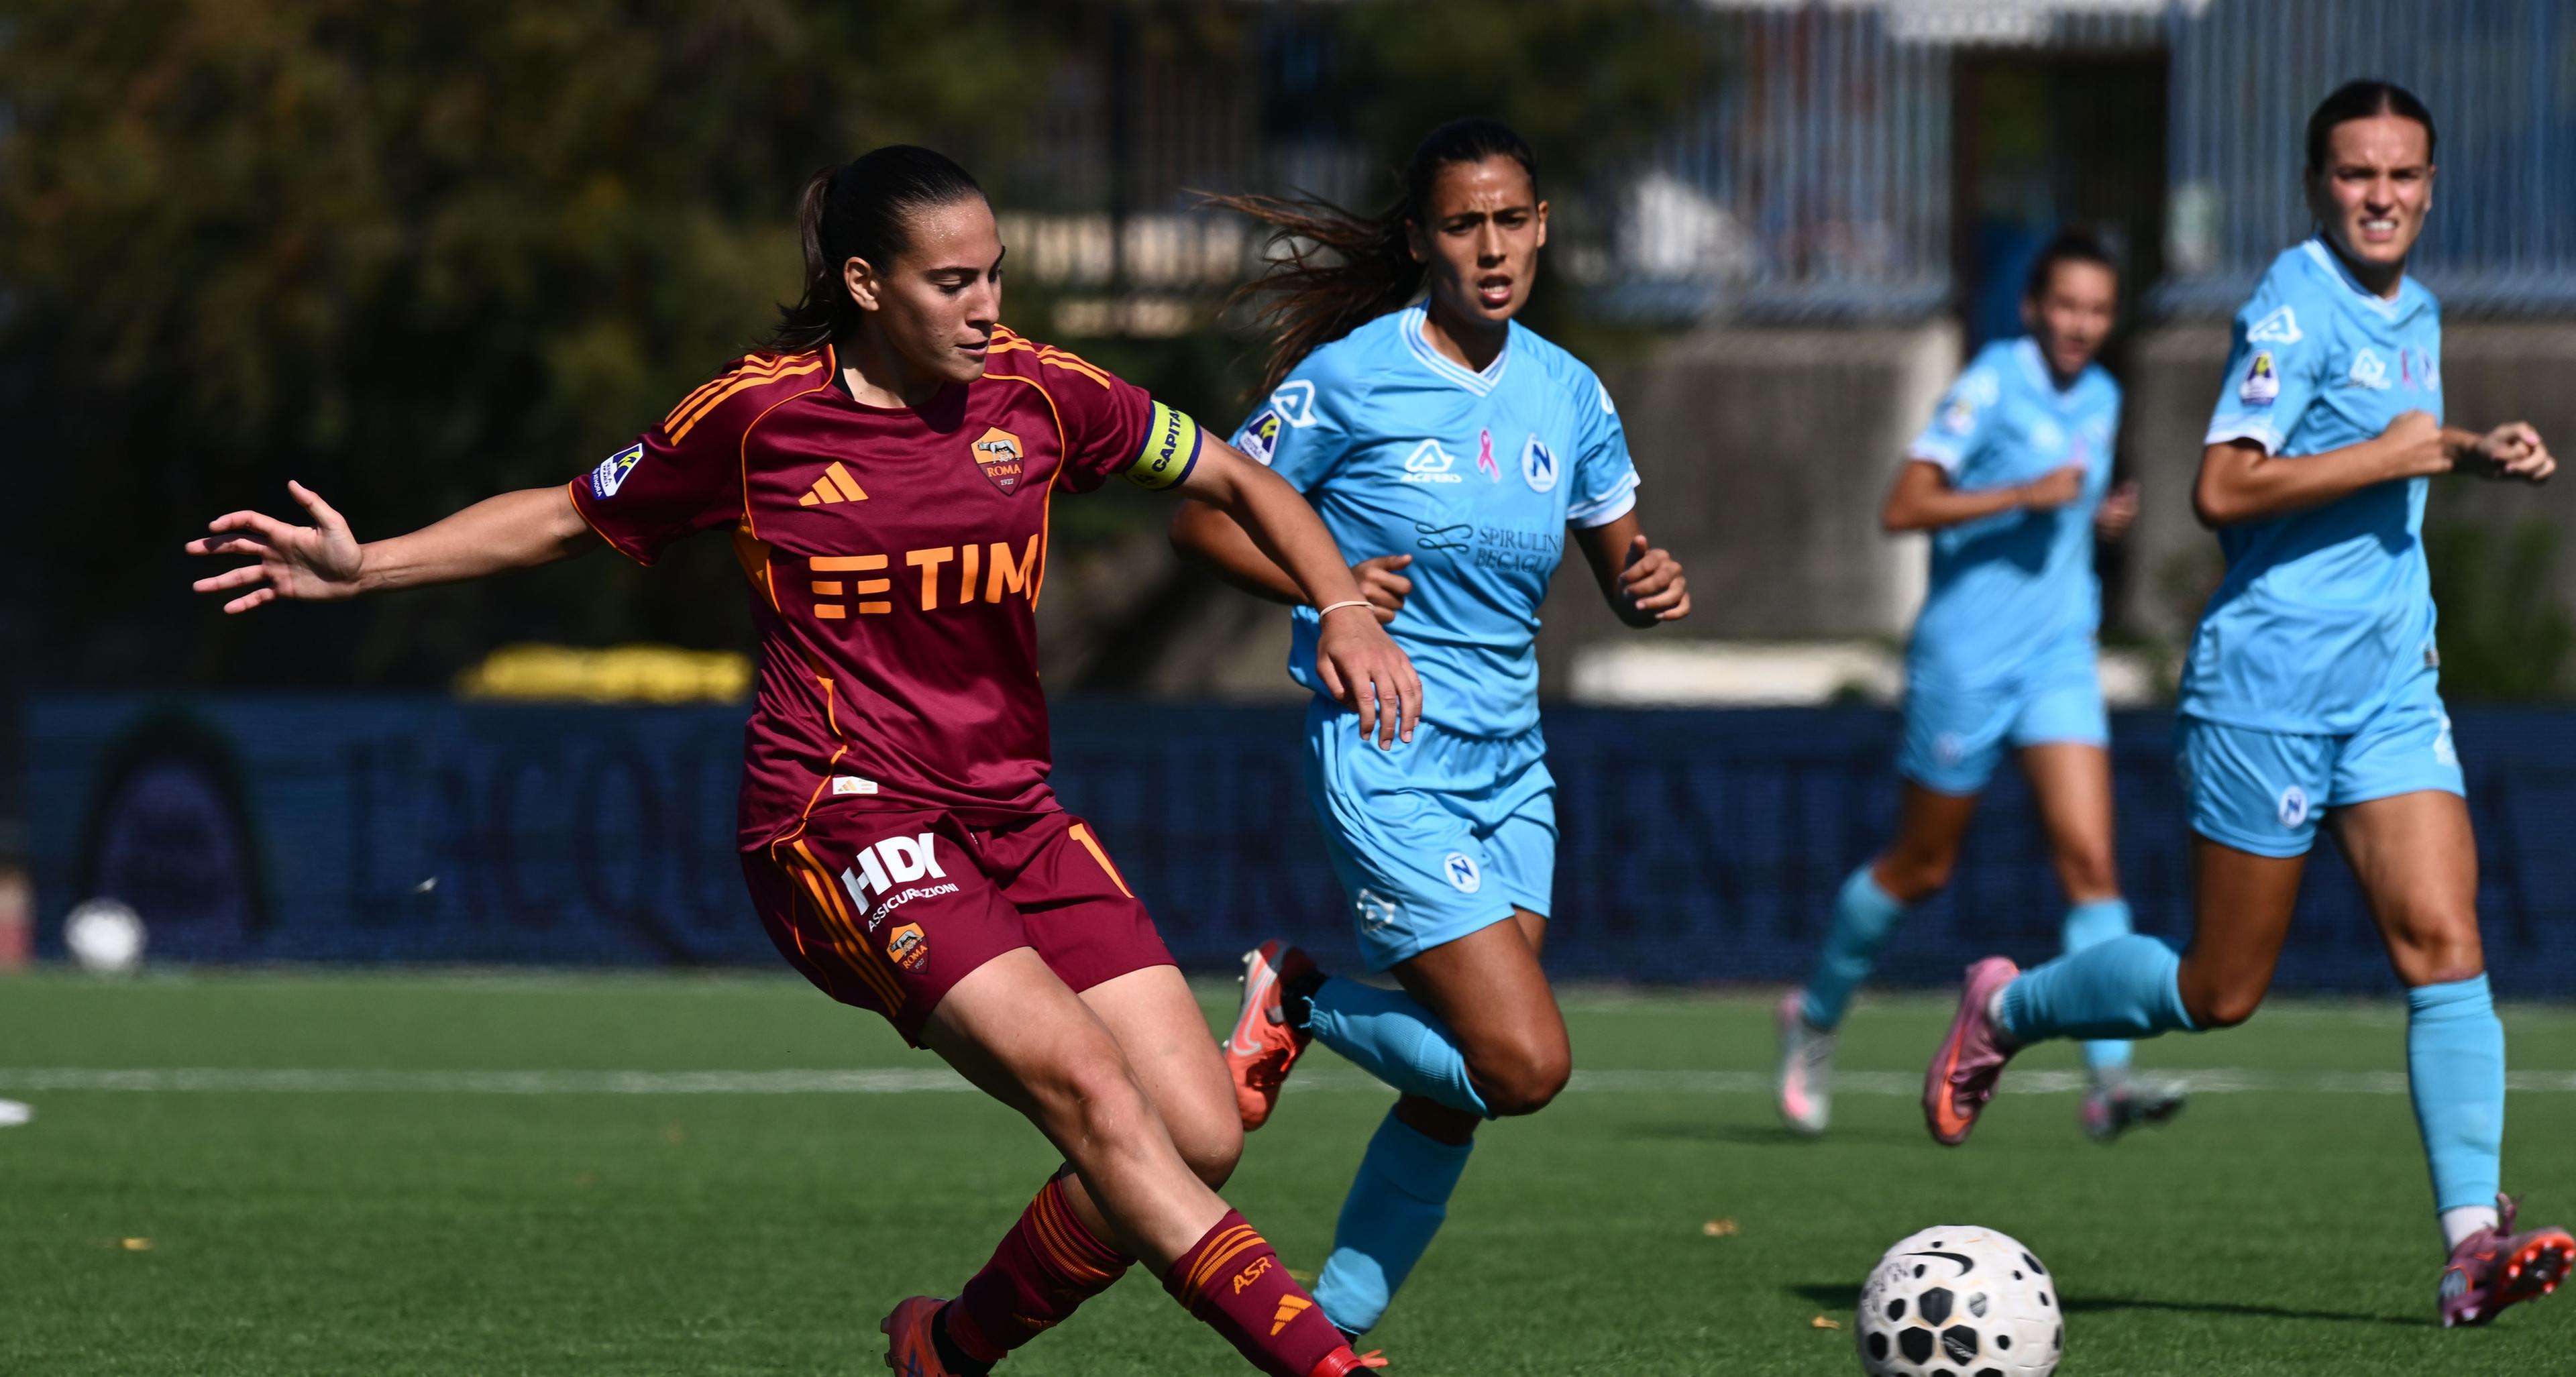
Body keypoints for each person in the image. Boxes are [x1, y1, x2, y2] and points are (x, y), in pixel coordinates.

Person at [184, 145, 1415, 1377]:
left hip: (1015, 810)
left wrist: (1341, 607)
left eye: (995, 275)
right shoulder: (758, 417)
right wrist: (367, 565)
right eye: (953, 283)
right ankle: (1326, 1364)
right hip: (839, 817)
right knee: (1098, 1097)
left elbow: (1240, 478)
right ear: (868, 285)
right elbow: (568, 514)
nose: (988, 307)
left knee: (1196, 1133)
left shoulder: (1047, 395)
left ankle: (945, 1348)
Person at [1919, 81, 2572, 1326]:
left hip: (2388, 690)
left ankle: (2470, 1243)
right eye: (2355, 175)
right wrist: (2407, 452)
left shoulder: (2417, 309)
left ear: (2431, 189)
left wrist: (2467, 454)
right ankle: (2004, 1006)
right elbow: (2224, 487)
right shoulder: (2290, 302)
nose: (2380, 196)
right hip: (2265, 692)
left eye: (2401, 176)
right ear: (2317, 185)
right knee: (2220, 990)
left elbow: (2393, 468)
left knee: (2447, 943)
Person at [1171, 117, 1690, 1342]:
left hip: (1513, 769)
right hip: (1389, 749)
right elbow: (1202, 521)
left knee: (1460, 1088)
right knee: (1523, 1066)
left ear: (1544, 227)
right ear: (1421, 240)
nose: (1493, 247)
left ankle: (1332, 1321)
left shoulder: (1571, 391)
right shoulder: (1354, 375)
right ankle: (1297, 1000)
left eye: (1513, 220)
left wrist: (1645, 584)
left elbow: (1618, 556)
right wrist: (1327, 583)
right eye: (1464, 225)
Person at [1777, 231, 2184, 1142]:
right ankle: (1814, 1014)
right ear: (2034, 308)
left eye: (2097, 309)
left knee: (2091, 864)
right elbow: (1904, 504)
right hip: (1966, 659)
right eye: (2066, 305)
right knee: (1920, 865)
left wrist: (2099, 517)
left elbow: (2065, 513)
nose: (2080, 324)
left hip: (2059, 659)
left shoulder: (2106, 397)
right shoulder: (1992, 383)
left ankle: (2108, 1080)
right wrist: (2022, 497)